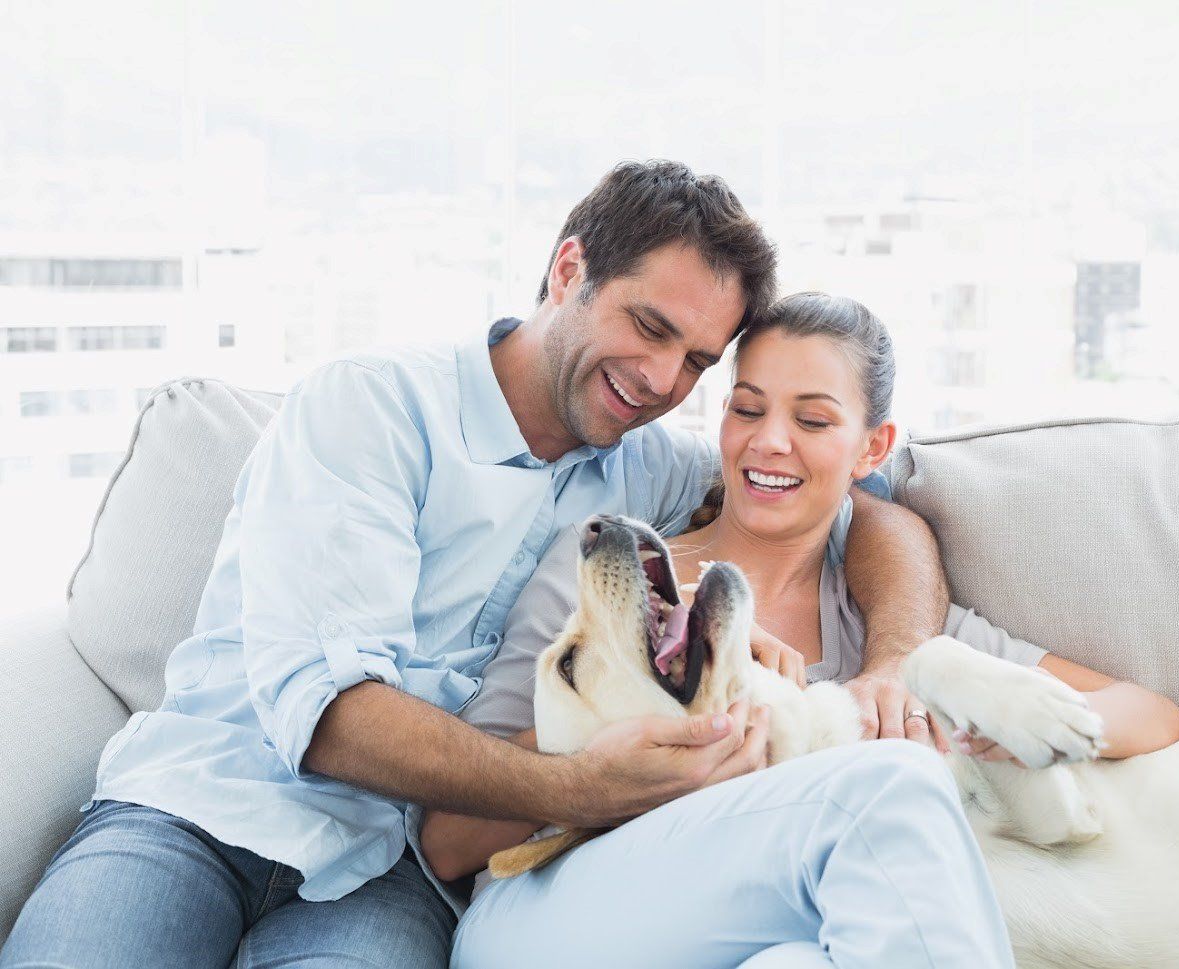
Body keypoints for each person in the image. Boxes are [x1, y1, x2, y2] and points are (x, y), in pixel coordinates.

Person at [0, 165, 949, 969]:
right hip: (203, 807)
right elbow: (328, 716)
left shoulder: (647, 464)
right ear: (567, 269)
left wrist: (894, 659)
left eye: (697, 359)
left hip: (397, 869)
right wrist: (581, 784)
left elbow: (858, 505)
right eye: (649, 327)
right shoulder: (369, 408)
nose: (664, 382)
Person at [428, 292, 1179, 968]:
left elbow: (1152, 714)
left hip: (764, 926)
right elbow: (450, 838)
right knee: (889, 784)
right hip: (552, 915)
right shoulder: (612, 575)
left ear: (872, 448)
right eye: (747, 407)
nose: (768, 442)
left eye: (813, 419)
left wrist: (1003, 727)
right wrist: (607, 761)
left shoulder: (895, 632)